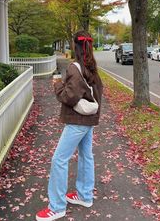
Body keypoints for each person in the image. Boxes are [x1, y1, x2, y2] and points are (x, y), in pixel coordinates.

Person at [36, 31, 103, 221]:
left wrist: (57, 84)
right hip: (89, 118)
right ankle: (84, 196)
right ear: (89, 46)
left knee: (59, 160)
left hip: (77, 120)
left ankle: (56, 207)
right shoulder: (92, 67)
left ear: (75, 46)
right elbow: (97, 93)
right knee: (86, 156)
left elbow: (69, 97)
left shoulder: (75, 68)